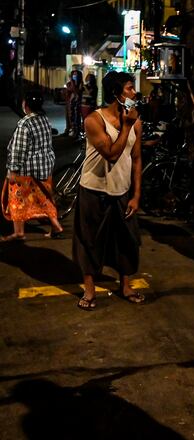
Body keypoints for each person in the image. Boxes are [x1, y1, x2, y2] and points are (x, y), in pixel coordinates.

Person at [73, 71, 144, 311]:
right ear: (116, 93)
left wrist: (136, 195)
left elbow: (136, 159)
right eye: (129, 88)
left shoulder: (136, 122)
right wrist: (126, 126)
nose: (134, 92)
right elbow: (112, 154)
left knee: (127, 239)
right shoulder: (94, 120)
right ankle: (89, 290)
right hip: (94, 189)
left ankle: (126, 286)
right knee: (89, 240)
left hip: (122, 190)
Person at [2, 91, 64, 241]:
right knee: (45, 198)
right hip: (44, 167)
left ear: (26, 105)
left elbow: (18, 150)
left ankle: (19, 232)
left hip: (26, 169)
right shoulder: (45, 119)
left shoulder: (25, 123)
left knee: (17, 199)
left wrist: (13, 170)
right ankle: (56, 227)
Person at [65, 69, 85, 136]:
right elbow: (68, 90)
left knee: (76, 117)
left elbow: (76, 91)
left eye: (75, 74)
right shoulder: (70, 83)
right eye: (73, 74)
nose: (74, 76)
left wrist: (73, 83)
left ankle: (77, 132)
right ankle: (71, 130)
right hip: (70, 102)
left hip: (77, 103)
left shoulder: (80, 84)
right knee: (70, 117)